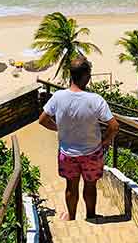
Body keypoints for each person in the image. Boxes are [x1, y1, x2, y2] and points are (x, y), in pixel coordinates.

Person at [38, 57, 119, 221]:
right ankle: (90, 216)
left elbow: (42, 120)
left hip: (67, 153)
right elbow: (114, 126)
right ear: (86, 76)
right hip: (92, 153)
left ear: (71, 75)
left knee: (71, 186)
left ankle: (72, 217)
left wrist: (58, 128)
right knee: (90, 186)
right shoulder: (95, 100)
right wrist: (105, 141)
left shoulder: (58, 97)